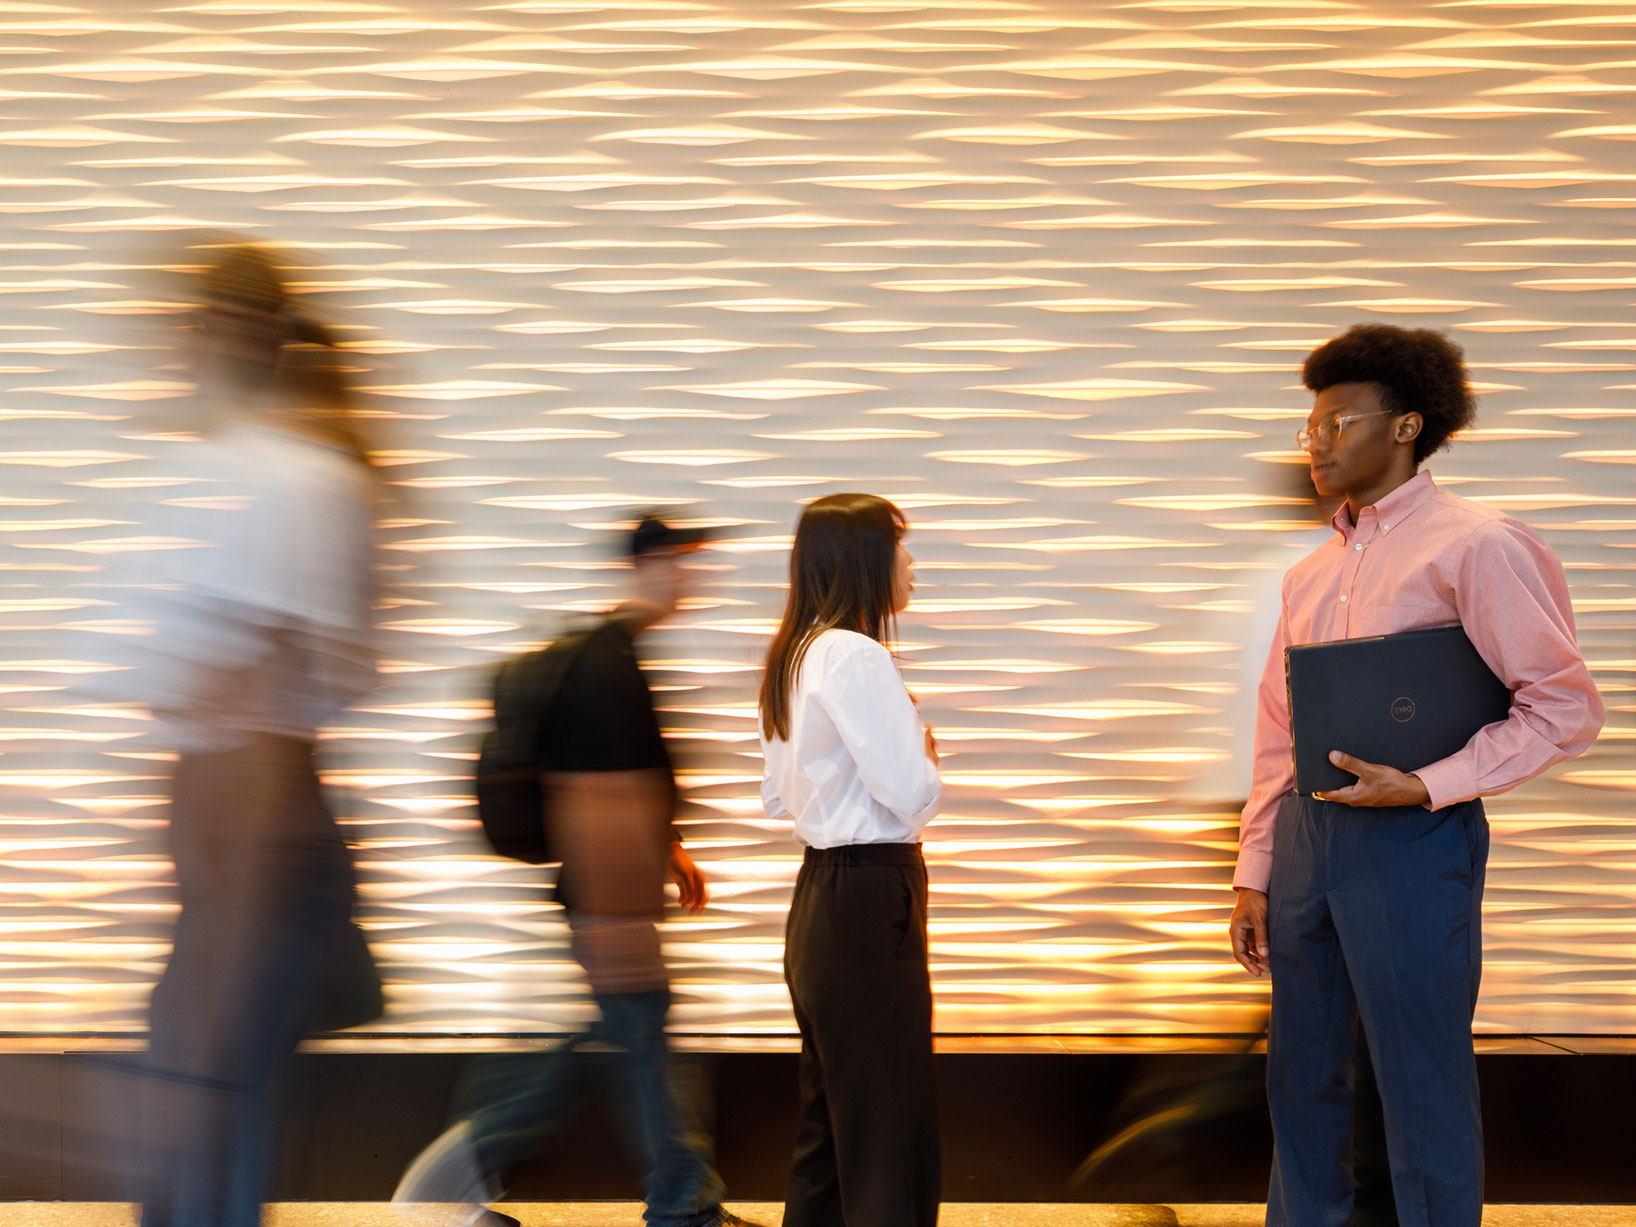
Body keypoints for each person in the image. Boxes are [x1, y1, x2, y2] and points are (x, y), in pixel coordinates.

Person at [1227, 324, 1604, 1227]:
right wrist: (1254, 869)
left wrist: (1430, 782)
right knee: (1301, 1074)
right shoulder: (1307, 573)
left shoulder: (1477, 545)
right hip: (1309, 844)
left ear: (1405, 427)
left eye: (1334, 424)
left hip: (1412, 839)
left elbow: (1563, 706)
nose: (1313, 444)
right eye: (1306, 429)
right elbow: (1279, 734)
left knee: (1418, 1075)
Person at [106, 241, 384, 1227]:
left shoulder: (278, 482)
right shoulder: (247, 473)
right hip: (233, 832)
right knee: (207, 1134)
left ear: (219, 332)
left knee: (208, 1135)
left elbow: (255, 707)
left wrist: (222, 938)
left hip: (249, 830)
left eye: (182, 321)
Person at [393, 513, 762, 1227]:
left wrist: (670, 848)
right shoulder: (606, 666)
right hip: (606, 901)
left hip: (609, 897)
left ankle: (677, 1201)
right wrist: (614, 917)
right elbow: (594, 797)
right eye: (681, 562)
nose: (692, 577)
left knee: (622, 1043)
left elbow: (623, 782)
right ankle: (453, 1181)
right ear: (646, 566)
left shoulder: (615, 656)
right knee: (618, 1046)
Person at [758, 493, 943, 1227]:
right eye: (901, 544)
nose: (912, 561)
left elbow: (778, 799)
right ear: (867, 557)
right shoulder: (857, 654)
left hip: (819, 900)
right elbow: (910, 793)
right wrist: (925, 755)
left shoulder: (795, 652)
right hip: (870, 894)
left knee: (831, 1135)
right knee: (887, 1136)